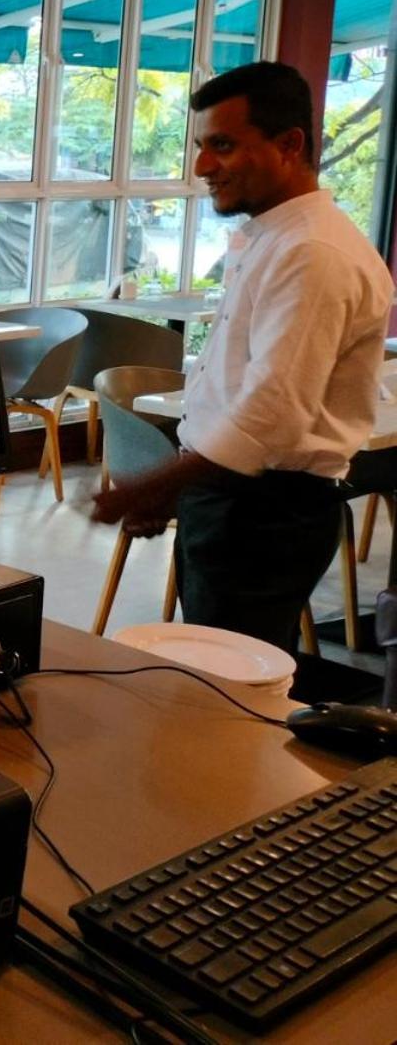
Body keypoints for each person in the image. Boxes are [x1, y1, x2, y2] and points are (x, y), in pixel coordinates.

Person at [93, 61, 393, 650]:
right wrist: (180, 486)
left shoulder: (312, 253)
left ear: (290, 144)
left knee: (226, 684)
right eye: (201, 147)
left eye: (223, 146)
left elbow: (272, 413)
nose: (203, 166)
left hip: (265, 510)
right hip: (236, 497)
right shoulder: (274, 238)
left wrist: (158, 483)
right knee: (217, 667)